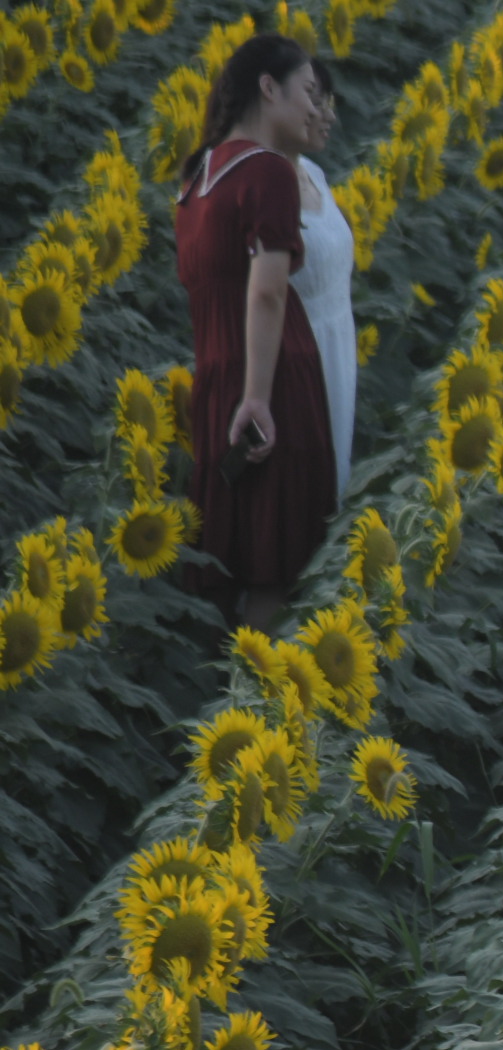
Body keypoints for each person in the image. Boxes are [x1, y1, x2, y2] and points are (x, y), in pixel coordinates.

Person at [173, 31, 354, 632]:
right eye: (308, 91)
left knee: (230, 560)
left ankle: (225, 700)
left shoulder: (196, 177)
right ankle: (257, 704)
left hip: (215, 375)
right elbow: (268, 288)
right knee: (279, 571)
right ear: (268, 88)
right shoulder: (270, 172)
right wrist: (258, 397)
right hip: (274, 378)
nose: (316, 107)